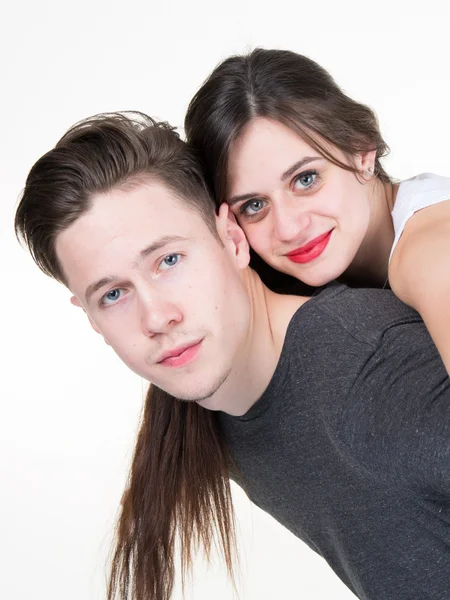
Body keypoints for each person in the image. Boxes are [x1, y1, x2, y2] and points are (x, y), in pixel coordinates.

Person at [15, 112, 450, 600]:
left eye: (169, 261)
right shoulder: (211, 415)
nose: (157, 317)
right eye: (113, 294)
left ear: (232, 238)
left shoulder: (374, 368)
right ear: (90, 318)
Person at [184, 47, 450, 374]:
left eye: (306, 179)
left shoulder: (432, 252)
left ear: (362, 151)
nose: (289, 228)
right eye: (254, 205)